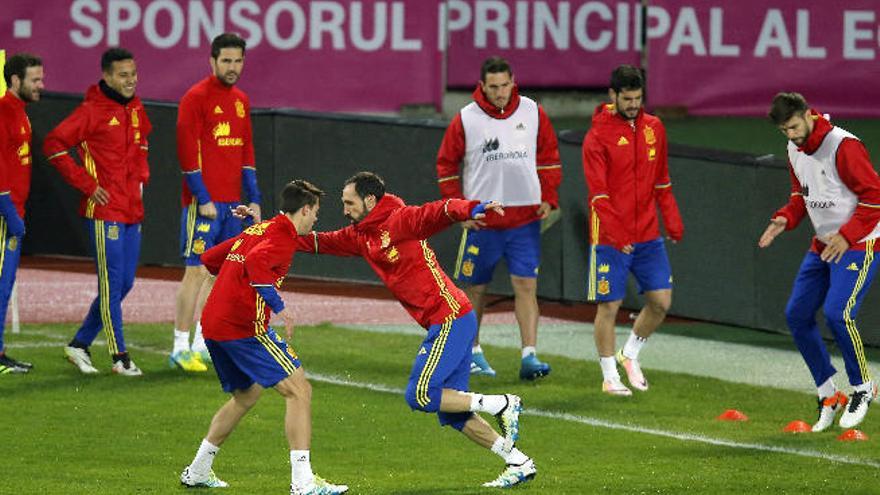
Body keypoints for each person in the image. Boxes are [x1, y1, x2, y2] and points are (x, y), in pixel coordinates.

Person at [292, 171, 535, 488]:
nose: (344, 209)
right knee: (452, 412)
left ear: (369, 200)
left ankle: (500, 403)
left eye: (349, 203)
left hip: (450, 318)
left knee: (420, 395)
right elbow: (319, 242)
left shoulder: (400, 220)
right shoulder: (361, 235)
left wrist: (472, 208)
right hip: (450, 320)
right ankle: (518, 461)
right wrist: (274, 233)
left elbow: (439, 211)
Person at [180, 180, 347, 495]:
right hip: (243, 328)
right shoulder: (280, 237)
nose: (316, 220)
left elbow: (211, 259)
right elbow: (257, 263)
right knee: (300, 391)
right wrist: (279, 307)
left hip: (214, 326)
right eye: (316, 213)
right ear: (306, 209)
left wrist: (250, 233)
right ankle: (303, 483)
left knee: (246, 395)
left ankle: (198, 470)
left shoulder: (258, 230)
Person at [759, 92, 880, 431]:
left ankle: (863, 387)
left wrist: (848, 235)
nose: (791, 135)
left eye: (794, 127)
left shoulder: (843, 146)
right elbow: (801, 195)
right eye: (784, 131)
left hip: (859, 244)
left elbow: (875, 197)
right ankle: (828, 393)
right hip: (824, 244)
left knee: (838, 313)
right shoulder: (793, 149)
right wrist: (786, 217)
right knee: (796, 315)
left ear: (808, 114)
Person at [436, 56, 561, 380]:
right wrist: (457, 209)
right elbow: (446, 165)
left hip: (524, 219)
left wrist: (549, 196)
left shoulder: (533, 111)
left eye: (505, 85)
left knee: (526, 284)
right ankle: (473, 353)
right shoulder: (466, 118)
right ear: (482, 86)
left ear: (512, 81)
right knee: (474, 289)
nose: (500, 92)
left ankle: (529, 356)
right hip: (482, 219)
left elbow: (549, 157)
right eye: (493, 87)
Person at [44, 48, 150, 376]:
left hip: (132, 210)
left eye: (133, 73)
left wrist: (141, 178)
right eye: (123, 75)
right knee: (111, 284)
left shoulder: (135, 108)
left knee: (125, 284)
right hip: (104, 211)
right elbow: (54, 144)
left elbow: (142, 139)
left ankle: (79, 344)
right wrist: (88, 185)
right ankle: (120, 356)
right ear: (106, 76)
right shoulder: (91, 111)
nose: (130, 80)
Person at [582, 65, 684, 396]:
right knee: (608, 306)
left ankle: (630, 354)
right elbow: (598, 195)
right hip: (610, 237)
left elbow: (663, 180)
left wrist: (672, 219)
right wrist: (616, 234)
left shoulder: (655, 127)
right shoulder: (597, 136)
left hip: (647, 234)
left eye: (638, 98)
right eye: (627, 99)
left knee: (661, 302)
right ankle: (609, 376)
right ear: (612, 96)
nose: (634, 104)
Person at [171, 32, 262, 372]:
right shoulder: (195, 98)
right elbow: (186, 152)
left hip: (232, 204)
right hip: (204, 205)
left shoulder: (241, 100)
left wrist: (254, 198)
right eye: (226, 60)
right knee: (194, 272)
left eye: (238, 60)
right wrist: (203, 197)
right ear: (212, 61)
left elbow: (247, 151)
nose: (233, 67)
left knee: (218, 276)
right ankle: (180, 346)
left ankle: (202, 341)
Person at [0, 53, 43, 374]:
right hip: (4, 214)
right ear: (15, 80)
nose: (41, 85)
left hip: (14, 209)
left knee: (6, 282)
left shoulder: (20, 112)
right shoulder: (3, 112)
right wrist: (10, 214)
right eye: (35, 80)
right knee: (1, 285)